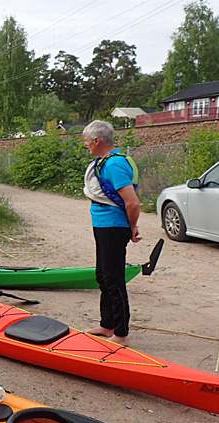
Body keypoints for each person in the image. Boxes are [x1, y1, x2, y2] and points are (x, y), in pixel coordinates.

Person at [81, 120, 142, 347]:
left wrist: (133, 228)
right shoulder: (104, 162)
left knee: (114, 279)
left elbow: (132, 202)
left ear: (97, 141)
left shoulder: (115, 165)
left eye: (87, 140)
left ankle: (121, 332)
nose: (86, 144)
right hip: (104, 225)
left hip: (114, 227)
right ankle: (107, 324)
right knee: (103, 275)